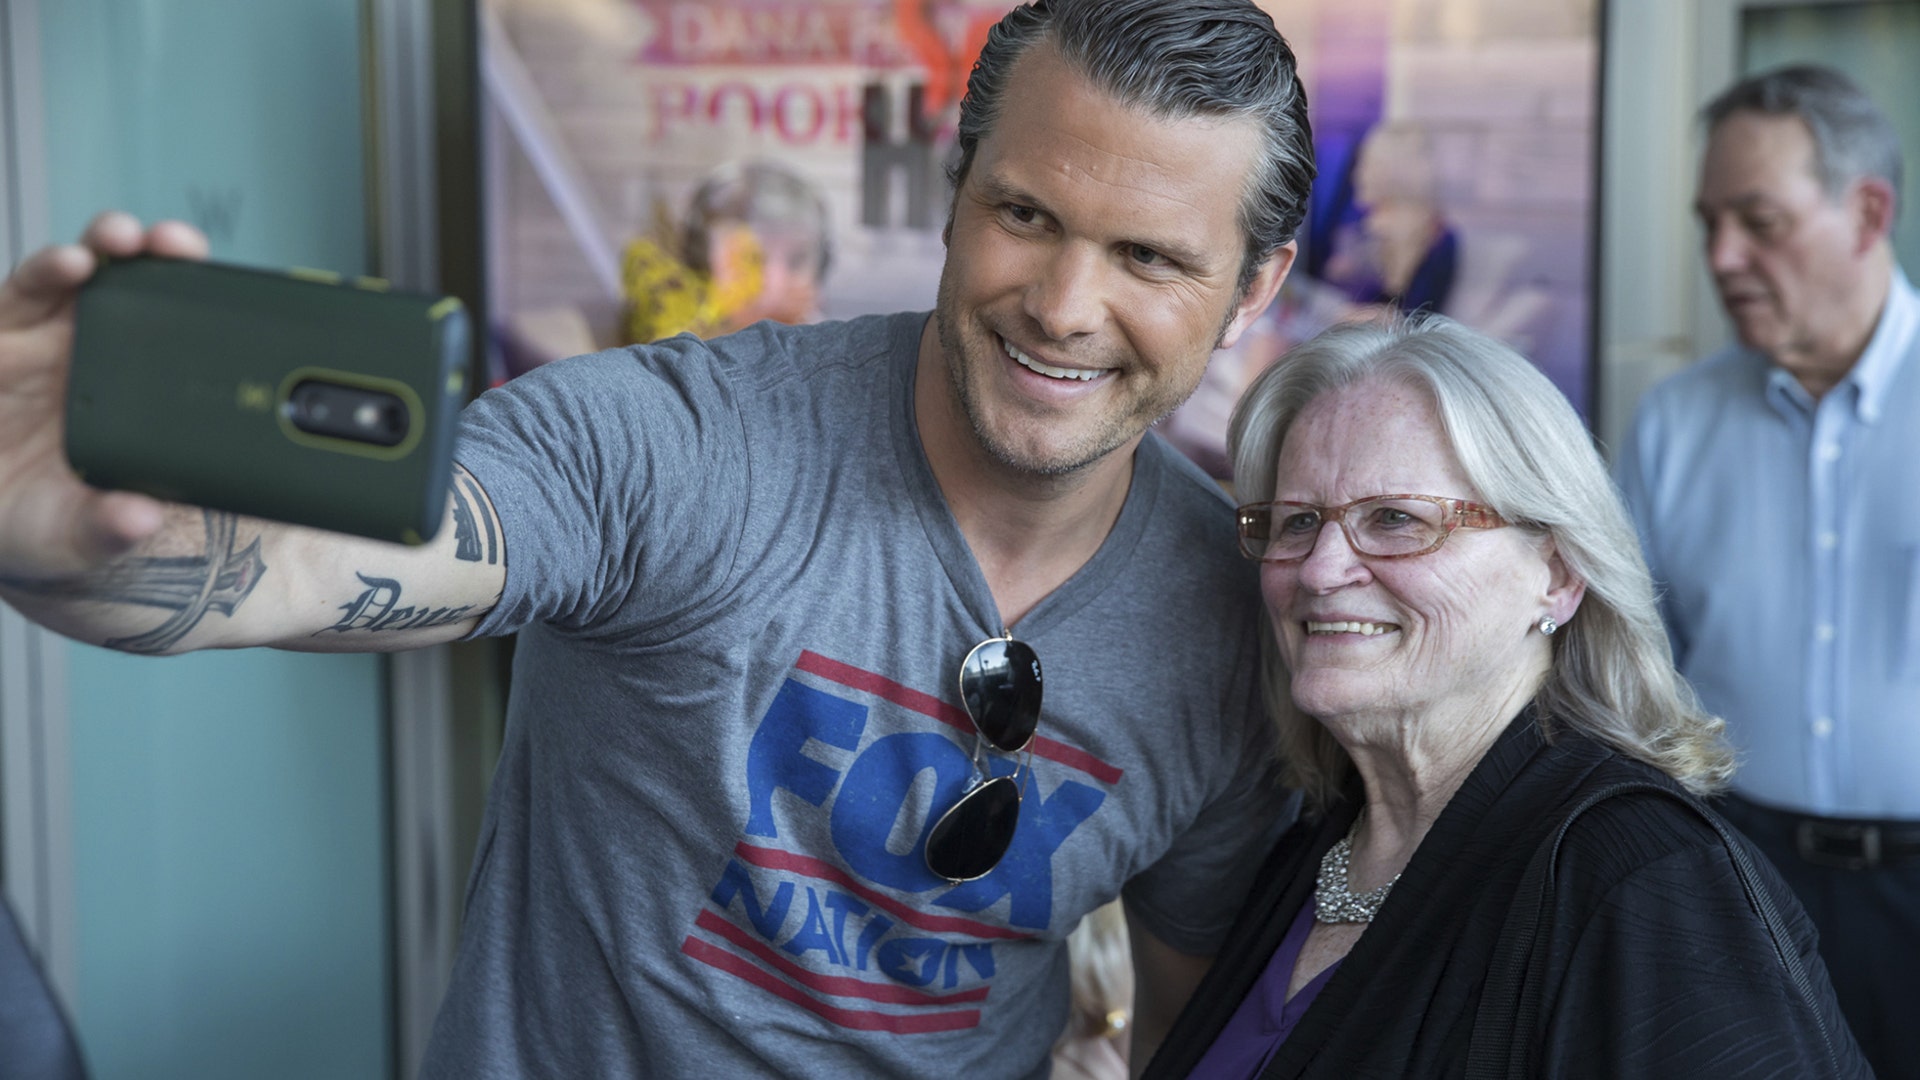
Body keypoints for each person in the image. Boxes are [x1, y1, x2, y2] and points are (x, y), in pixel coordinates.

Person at [0, 1, 1313, 1075]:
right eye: (1026, 216)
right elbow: (313, 569)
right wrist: (80, 540)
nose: (1065, 306)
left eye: (1148, 258)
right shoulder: (678, 443)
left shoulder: (1224, 616)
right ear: (956, 189)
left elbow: (1194, 1033)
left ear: (1257, 284)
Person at [1142, 316, 1868, 1077]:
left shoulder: (1648, 880)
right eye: (1297, 522)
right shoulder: (1315, 848)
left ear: (1555, 574)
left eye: (1395, 519)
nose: (1321, 571)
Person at [1615, 64, 1917, 1079]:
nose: (1723, 257)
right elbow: (1631, 661)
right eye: (1709, 224)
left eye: (1760, 221)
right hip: (1737, 874)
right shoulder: (1673, 425)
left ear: (1868, 212)